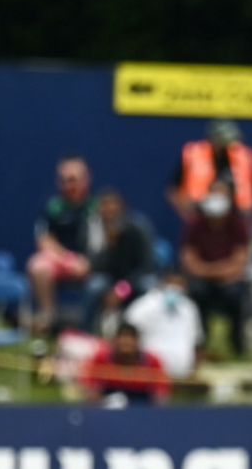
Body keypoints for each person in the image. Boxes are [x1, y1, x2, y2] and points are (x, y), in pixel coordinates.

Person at [180, 178, 251, 357]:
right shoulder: (196, 224)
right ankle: (200, 345)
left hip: (229, 280)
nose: (218, 197)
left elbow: (240, 260)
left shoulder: (237, 224)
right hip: (203, 280)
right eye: (214, 192)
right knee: (197, 292)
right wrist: (211, 272)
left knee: (236, 294)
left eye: (222, 193)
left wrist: (216, 271)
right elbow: (189, 259)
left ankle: (237, 345)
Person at [27, 156, 97, 333]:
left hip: (93, 262)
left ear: (86, 179)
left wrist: (89, 262)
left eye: (72, 180)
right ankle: (48, 318)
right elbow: (44, 240)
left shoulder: (98, 207)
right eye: (63, 180)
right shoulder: (53, 207)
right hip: (62, 260)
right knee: (38, 266)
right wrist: (68, 259)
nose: (68, 185)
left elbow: (103, 243)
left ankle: (96, 322)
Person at [83, 188, 155, 334]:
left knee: (149, 286)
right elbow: (94, 265)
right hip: (110, 278)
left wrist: (121, 290)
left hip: (136, 278)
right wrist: (108, 246)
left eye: (113, 206)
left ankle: (144, 334)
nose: (109, 211)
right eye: (104, 206)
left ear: (122, 208)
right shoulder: (94, 229)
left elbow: (145, 265)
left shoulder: (138, 227)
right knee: (94, 286)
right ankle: (87, 333)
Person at [168, 119, 252, 221]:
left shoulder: (244, 157)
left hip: (236, 218)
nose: (226, 145)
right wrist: (185, 213)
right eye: (222, 140)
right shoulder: (193, 155)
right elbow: (173, 189)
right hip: (199, 216)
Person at [124, 270, 204, 380]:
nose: (176, 288)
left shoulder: (189, 308)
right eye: (172, 283)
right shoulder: (142, 306)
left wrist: (195, 371)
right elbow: (126, 339)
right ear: (163, 283)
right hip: (149, 375)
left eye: (180, 284)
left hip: (183, 374)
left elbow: (197, 342)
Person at [80, 321, 170, 406]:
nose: (126, 342)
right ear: (114, 340)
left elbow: (161, 396)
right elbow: (91, 391)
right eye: (122, 337)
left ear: (138, 341)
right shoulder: (101, 359)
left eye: (131, 338)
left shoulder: (152, 362)